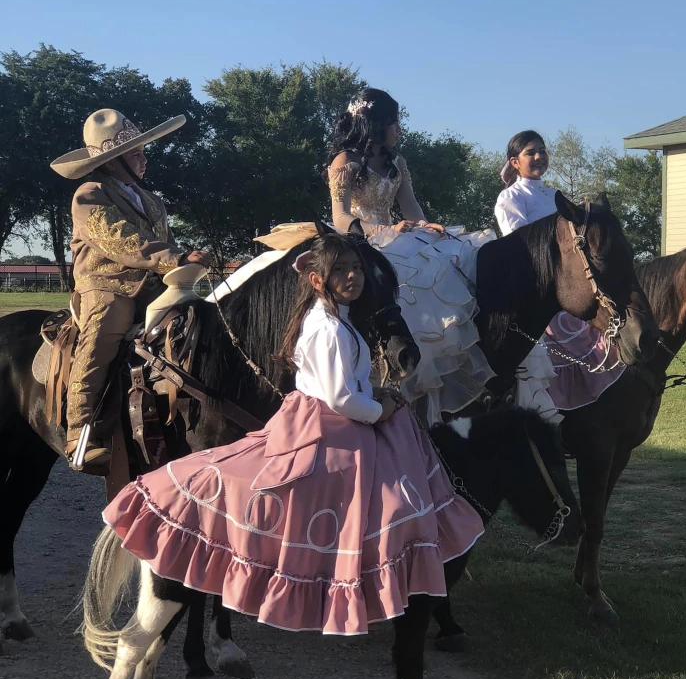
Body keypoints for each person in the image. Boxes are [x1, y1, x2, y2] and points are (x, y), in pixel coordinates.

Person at [103, 234, 483, 634]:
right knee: (376, 495)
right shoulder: (328, 329)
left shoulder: (337, 319)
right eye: (340, 270)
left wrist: (374, 394)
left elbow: (341, 385)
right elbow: (339, 398)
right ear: (317, 281)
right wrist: (380, 409)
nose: (353, 276)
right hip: (331, 422)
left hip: (329, 414)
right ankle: (87, 417)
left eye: (355, 268)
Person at [50, 109, 209, 471]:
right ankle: (82, 430)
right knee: (104, 330)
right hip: (106, 283)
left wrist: (188, 261)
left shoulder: (151, 201)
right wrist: (176, 256)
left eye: (141, 150)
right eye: (136, 152)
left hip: (151, 283)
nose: (143, 157)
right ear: (112, 161)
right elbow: (121, 241)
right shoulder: (89, 195)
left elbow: (165, 242)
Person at [327, 88, 494, 424]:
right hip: (362, 242)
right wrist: (380, 231)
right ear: (374, 124)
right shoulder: (345, 162)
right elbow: (340, 218)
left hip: (400, 235)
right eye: (394, 122)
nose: (399, 129)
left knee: (455, 256)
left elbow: (411, 208)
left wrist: (423, 224)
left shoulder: (397, 162)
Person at [494, 130, 625, 422]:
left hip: (568, 284)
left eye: (542, 150)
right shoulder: (510, 198)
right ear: (515, 162)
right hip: (537, 286)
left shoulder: (555, 195)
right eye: (531, 152)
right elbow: (521, 246)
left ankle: (595, 415)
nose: (540, 157)